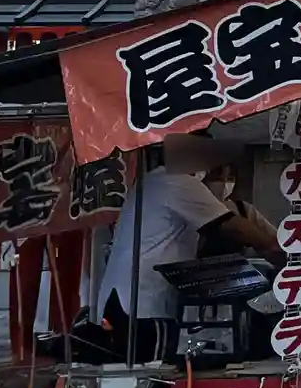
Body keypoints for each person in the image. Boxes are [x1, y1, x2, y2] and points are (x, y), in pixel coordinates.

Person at [96, 137, 279, 361]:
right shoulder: (178, 182)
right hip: (143, 306)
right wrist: (281, 252)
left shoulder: (152, 181)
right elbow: (235, 229)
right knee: (151, 370)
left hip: (122, 301)